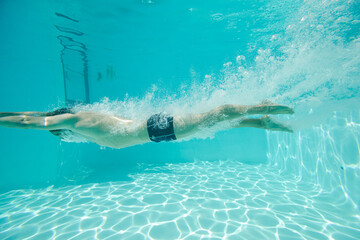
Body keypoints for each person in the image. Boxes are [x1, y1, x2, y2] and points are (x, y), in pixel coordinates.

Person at [0, 102, 294, 149]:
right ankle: (259, 121)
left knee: (213, 117)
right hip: (154, 131)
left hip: (152, 130)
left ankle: (261, 106)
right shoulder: (80, 122)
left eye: (58, 134)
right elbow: (37, 114)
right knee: (210, 125)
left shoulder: (74, 121)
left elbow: (31, 122)